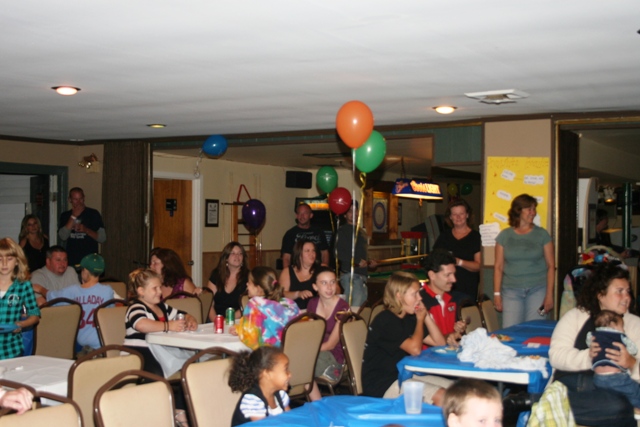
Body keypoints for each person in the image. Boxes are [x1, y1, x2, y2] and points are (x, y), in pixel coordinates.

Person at [549, 262, 640, 426]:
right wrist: (590, 357)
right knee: (620, 407)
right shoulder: (576, 317)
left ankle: (543, 403)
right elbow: (556, 356)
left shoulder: (635, 324)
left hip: (615, 389)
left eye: (628, 291)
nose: (626, 297)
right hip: (575, 382)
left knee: (618, 405)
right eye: (619, 291)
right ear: (600, 295)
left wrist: (632, 363)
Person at [362, 271, 449, 405]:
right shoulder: (386, 320)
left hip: (403, 376)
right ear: (399, 296)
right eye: (415, 294)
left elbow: (440, 343)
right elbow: (415, 350)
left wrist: (425, 315)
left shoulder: (408, 318)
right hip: (382, 385)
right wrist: (420, 320)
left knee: (455, 389)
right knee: (442, 396)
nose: (419, 298)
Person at [123, 268, 197, 427]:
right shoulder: (136, 307)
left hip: (159, 350)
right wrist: (168, 326)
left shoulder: (162, 307)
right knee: (156, 373)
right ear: (141, 291)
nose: (160, 292)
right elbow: (141, 324)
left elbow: (182, 314)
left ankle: (179, 409)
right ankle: (154, 414)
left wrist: (190, 319)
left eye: (160, 287)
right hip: (139, 352)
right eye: (155, 288)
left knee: (189, 365)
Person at [493, 194, 554, 328]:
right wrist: (497, 294)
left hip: (538, 289)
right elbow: (498, 267)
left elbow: (551, 266)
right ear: (518, 211)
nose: (533, 213)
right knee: (510, 330)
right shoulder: (504, 235)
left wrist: (549, 295)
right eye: (529, 209)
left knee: (534, 329)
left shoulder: (542, 234)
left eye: (534, 209)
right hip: (511, 290)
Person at [46, 253, 115, 354]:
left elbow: (51, 297)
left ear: (85, 271)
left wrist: (40, 289)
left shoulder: (73, 290)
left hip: (85, 345)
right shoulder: (108, 290)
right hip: (106, 342)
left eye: (82, 270)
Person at [306, 266, 350, 401]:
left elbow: (331, 344)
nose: (330, 287)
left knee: (299, 364)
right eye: (324, 283)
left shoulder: (343, 308)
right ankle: (318, 404)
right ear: (315, 287)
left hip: (334, 358)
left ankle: (317, 404)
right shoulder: (312, 304)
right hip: (316, 353)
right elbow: (310, 334)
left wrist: (306, 351)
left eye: (332, 282)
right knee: (289, 360)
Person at [231, 266, 300, 349]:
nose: (247, 284)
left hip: (267, 354)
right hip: (291, 351)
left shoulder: (255, 304)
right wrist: (239, 328)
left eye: (249, 282)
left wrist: (239, 331)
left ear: (258, 288)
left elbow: (250, 338)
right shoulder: (289, 303)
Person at [586, 309, 640, 411]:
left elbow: (589, 341)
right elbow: (633, 349)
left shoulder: (594, 334)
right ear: (613, 324)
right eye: (622, 326)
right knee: (634, 390)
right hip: (616, 377)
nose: (623, 330)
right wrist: (630, 353)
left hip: (597, 378)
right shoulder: (620, 336)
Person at [228, 346, 291, 426]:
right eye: (286, 369)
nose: (290, 374)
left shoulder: (281, 394)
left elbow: (291, 419)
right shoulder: (252, 400)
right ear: (267, 373)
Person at [433, 199, 481, 303]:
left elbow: (478, 265)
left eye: (461, 214)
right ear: (450, 217)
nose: (458, 217)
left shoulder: (476, 237)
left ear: (467, 215)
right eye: (454, 214)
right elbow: (435, 259)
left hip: (467, 287)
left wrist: (458, 261)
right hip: (444, 288)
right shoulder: (444, 236)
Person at [0, 238, 40, 360]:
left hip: (12, 349)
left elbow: (35, 314)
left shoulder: (24, 285)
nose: (4, 263)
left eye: (9, 259)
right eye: (0, 259)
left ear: (17, 261)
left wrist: (21, 324)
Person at [420, 249, 467, 347]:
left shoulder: (453, 299)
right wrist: (450, 336)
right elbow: (432, 341)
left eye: (454, 274)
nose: (454, 279)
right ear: (432, 275)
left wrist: (458, 330)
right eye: (448, 275)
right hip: (428, 355)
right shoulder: (420, 301)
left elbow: (453, 336)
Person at [335, 201, 377, 307]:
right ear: (345, 215)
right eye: (350, 211)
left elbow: (363, 255)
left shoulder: (362, 232)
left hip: (362, 277)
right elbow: (339, 253)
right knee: (353, 309)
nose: (353, 213)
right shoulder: (342, 231)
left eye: (355, 210)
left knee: (360, 310)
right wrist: (357, 261)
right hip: (351, 276)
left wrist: (370, 263)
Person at [58, 187, 106, 266]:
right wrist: (73, 216)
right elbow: (63, 236)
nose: (78, 202)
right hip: (72, 259)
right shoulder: (65, 215)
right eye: (75, 199)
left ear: (84, 198)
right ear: (70, 200)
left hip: (90, 260)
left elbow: (102, 238)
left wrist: (86, 230)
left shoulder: (93, 214)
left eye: (81, 199)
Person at [205, 241, 249, 321]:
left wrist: (227, 320)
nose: (237, 256)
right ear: (226, 258)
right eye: (233, 253)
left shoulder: (249, 277)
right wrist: (217, 321)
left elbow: (248, 305)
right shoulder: (216, 274)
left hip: (238, 320)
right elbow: (209, 302)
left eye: (240, 253)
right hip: (216, 319)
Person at [280, 203, 329, 268]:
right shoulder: (290, 234)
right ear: (296, 216)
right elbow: (286, 257)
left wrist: (324, 269)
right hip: (297, 270)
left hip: (316, 269)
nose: (302, 216)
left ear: (311, 215)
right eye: (299, 213)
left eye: (305, 213)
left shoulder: (319, 232)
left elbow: (325, 253)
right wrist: (288, 272)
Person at [279, 240, 318, 310]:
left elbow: (337, 290)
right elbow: (281, 294)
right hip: (294, 312)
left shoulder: (321, 270)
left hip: (316, 312)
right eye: (307, 251)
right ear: (299, 254)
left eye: (313, 251)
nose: (312, 254)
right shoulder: (287, 271)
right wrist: (298, 294)